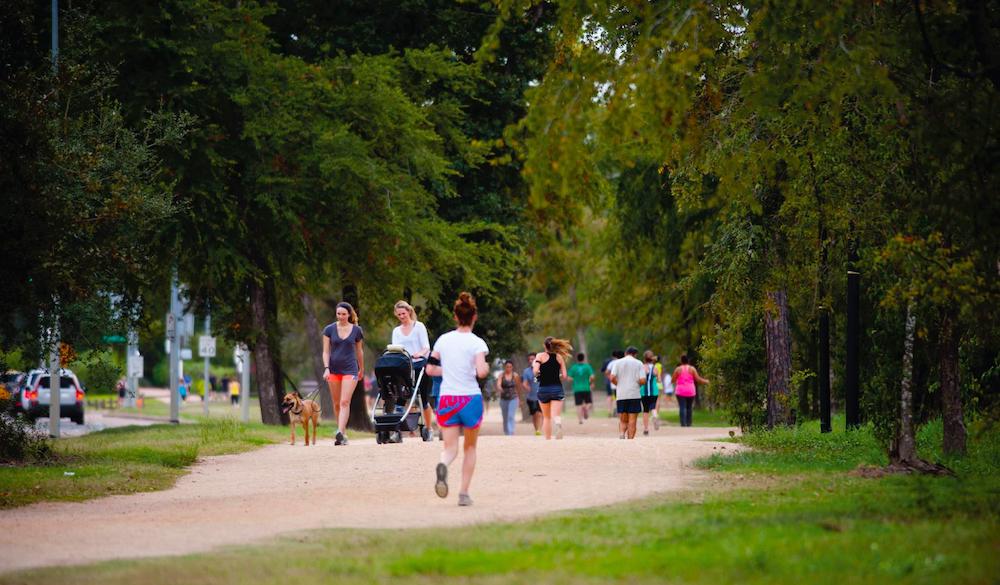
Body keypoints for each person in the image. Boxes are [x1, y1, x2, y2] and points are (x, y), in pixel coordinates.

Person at [425, 292, 489, 507]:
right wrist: (484, 367)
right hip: (470, 399)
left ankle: (443, 464)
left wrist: (449, 370)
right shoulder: (477, 343)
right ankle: (463, 493)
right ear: (474, 317)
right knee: (470, 448)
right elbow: (481, 372)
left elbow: (430, 369)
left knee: (450, 448)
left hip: (448, 398)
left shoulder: (443, 340)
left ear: (455, 317)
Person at [322, 301, 365, 446]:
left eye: (344, 314)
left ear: (349, 314)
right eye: (338, 314)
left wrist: (361, 368)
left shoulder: (357, 330)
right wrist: (326, 368)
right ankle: (343, 433)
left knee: (344, 401)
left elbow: (359, 351)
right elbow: (326, 351)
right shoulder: (329, 329)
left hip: (350, 369)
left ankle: (339, 432)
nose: (341, 317)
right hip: (333, 369)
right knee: (336, 403)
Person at [391, 300, 436, 436]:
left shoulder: (419, 327)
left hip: (419, 364)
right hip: (404, 366)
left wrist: (419, 354)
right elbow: (395, 348)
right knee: (401, 396)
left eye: (403, 313)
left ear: (409, 312)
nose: (402, 316)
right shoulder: (397, 331)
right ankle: (396, 429)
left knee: (423, 398)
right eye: (399, 314)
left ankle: (428, 428)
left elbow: (426, 346)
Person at [532, 336, 571, 440]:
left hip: (543, 389)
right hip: (557, 388)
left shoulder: (540, 356)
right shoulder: (559, 357)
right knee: (555, 414)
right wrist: (556, 376)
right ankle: (558, 423)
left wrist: (539, 374)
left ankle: (548, 438)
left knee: (546, 417)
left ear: (544, 345)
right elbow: (565, 375)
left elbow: (535, 371)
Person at [610, 346, 645, 439]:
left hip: (621, 395)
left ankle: (621, 434)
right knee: (632, 420)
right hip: (634, 395)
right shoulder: (639, 363)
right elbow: (643, 380)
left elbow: (612, 377)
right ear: (635, 354)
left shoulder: (617, 362)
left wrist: (618, 384)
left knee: (622, 419)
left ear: (625, 353)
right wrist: (637, 384)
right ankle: (630, 440)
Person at [673, 354, 710, 427]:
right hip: (690, 391)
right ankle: (689, 423)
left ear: (681, 361)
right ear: (688, 361)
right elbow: (698, 379)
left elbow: (673, 379)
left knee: (682, 407)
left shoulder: (678, 369)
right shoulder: (692, 369)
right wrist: (706, 381)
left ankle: (683, 423)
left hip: (680, 391)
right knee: (689, 407)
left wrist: (677, 379)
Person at [495, 360, 521, 436]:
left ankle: (511, 432)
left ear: (512, 367)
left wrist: (519, 398)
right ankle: (506, 432)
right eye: (507, 367)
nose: (508, 368)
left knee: (510, 415)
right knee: (505, 416)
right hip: (503, 398)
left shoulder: (515, 375)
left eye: (510, 367)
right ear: (505, 367)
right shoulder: (501, 375)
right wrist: (499, 388)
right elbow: (498, 384)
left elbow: (518, 387)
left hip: (513, 398)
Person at [567, 353, 594, 424]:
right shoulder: (587, 367)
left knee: (578, 405)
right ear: (583, 358)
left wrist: (575, 380)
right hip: (586, 388)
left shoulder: (574, 367)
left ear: (577, 359)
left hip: (577, 389)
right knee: (589, 403)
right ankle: (586, 408)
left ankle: (580, 420)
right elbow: (592, 377)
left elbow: (569, 378)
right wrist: (590, 382)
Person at [640, 350, 661, 435]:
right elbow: (659, 380)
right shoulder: (655, 368)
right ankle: (655, 416)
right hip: (653, 391)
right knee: (653, 407)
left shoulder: (642, 367)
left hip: (644, 391)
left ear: (644, 358)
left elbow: (639, 378)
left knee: (645, 410)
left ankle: (646, 429)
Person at [522, 353, 542, 435]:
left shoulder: (542, 370)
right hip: (531, 397)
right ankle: (536, 429)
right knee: (534, 414)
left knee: (540, 413)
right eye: (530, 359)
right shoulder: (526, 371)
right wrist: (526, 387)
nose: (531, 361)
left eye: (533, 359)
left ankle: (539, 430)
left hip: (542, 396)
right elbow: (524, 383)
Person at [602, 350, 624, 417]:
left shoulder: (612, 363)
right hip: (624, 383)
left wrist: (610, 378)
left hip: (615, 383)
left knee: (616, 397)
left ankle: (616, 411)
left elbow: (606, 372)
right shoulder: (624, 362)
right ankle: (619, 411)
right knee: (621, 397)